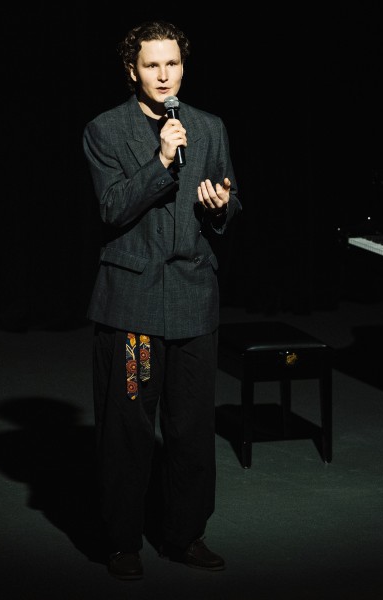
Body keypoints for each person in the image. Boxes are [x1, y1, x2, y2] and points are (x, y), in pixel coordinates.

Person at [82, 19, 242, 580]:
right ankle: (122, 541)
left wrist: (220, 205)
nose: (164, 74)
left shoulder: (209, 127)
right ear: (132, 71)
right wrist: (162, 162)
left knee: (191, 427)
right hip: (134, 304)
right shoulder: (105, 130)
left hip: (194, 298)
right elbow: (111, 208)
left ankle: (186, 534)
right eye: (152, 65)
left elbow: (230, 202)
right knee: (128, 427)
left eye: (172, 63)